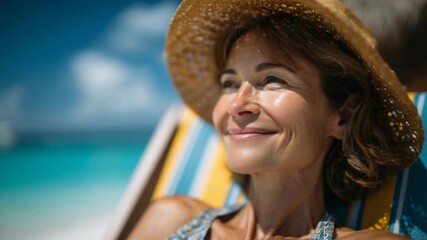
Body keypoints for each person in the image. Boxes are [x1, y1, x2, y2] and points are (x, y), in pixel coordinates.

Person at [129, 0, 424, 239]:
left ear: (342, 114)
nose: (236, 105)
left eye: (272, 79)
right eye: (230, 84)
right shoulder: (167, 219)